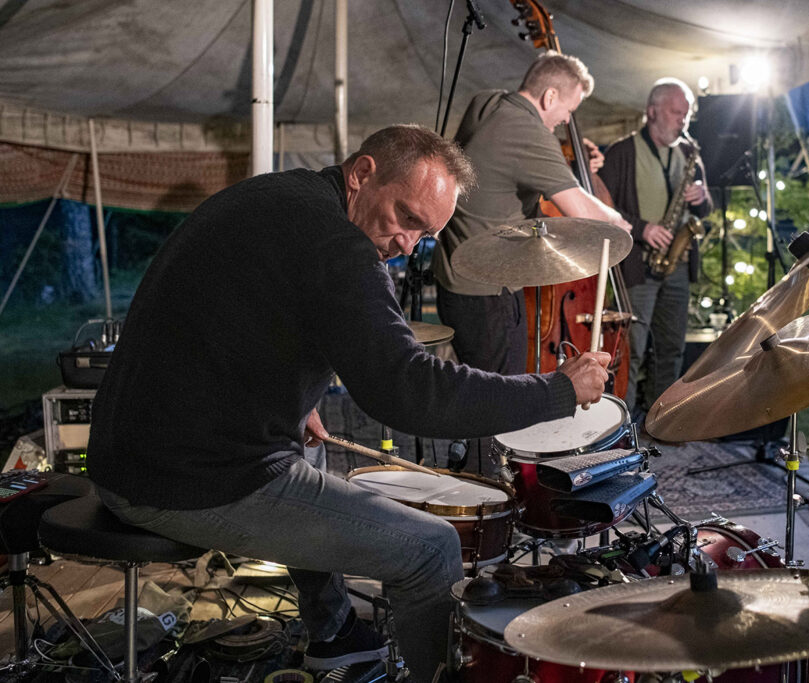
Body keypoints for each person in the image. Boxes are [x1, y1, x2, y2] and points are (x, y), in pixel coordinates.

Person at [86, 124, 611, 683]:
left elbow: (235, 313)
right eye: (407, 218)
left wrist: (286, 395)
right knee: (431, 549)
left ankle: (335, 634)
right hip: (178, 480)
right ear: (362, 175)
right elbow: (410, 392)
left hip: (134, 448)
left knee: (309, 453)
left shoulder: (277, 196)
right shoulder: (338, 245)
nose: (408, 244)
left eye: (424, 234)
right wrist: (556, 389)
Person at [431, 50, 631, 378]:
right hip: (489, 294)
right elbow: (582, 214)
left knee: (476, 396)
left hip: (455, 282)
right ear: (550, 95)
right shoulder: (530, 133)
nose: (568, 121)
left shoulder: (487, 103)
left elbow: (499, 166)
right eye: (569, 110)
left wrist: (563, 167)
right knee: (500, 405)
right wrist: (618, 221)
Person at [598, 78, 712, 416]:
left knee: (671, 347)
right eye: (677, 113)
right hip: (638, 265)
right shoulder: (622, 152)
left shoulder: (689, 152)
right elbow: (603, 207)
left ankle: (660, 419)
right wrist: (643, 228)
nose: (683, 121)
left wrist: (703, 197)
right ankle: (622, 426)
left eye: (687, 115)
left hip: (677, 264)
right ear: (652, 111)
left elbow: (704, 209)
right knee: (632, 349)